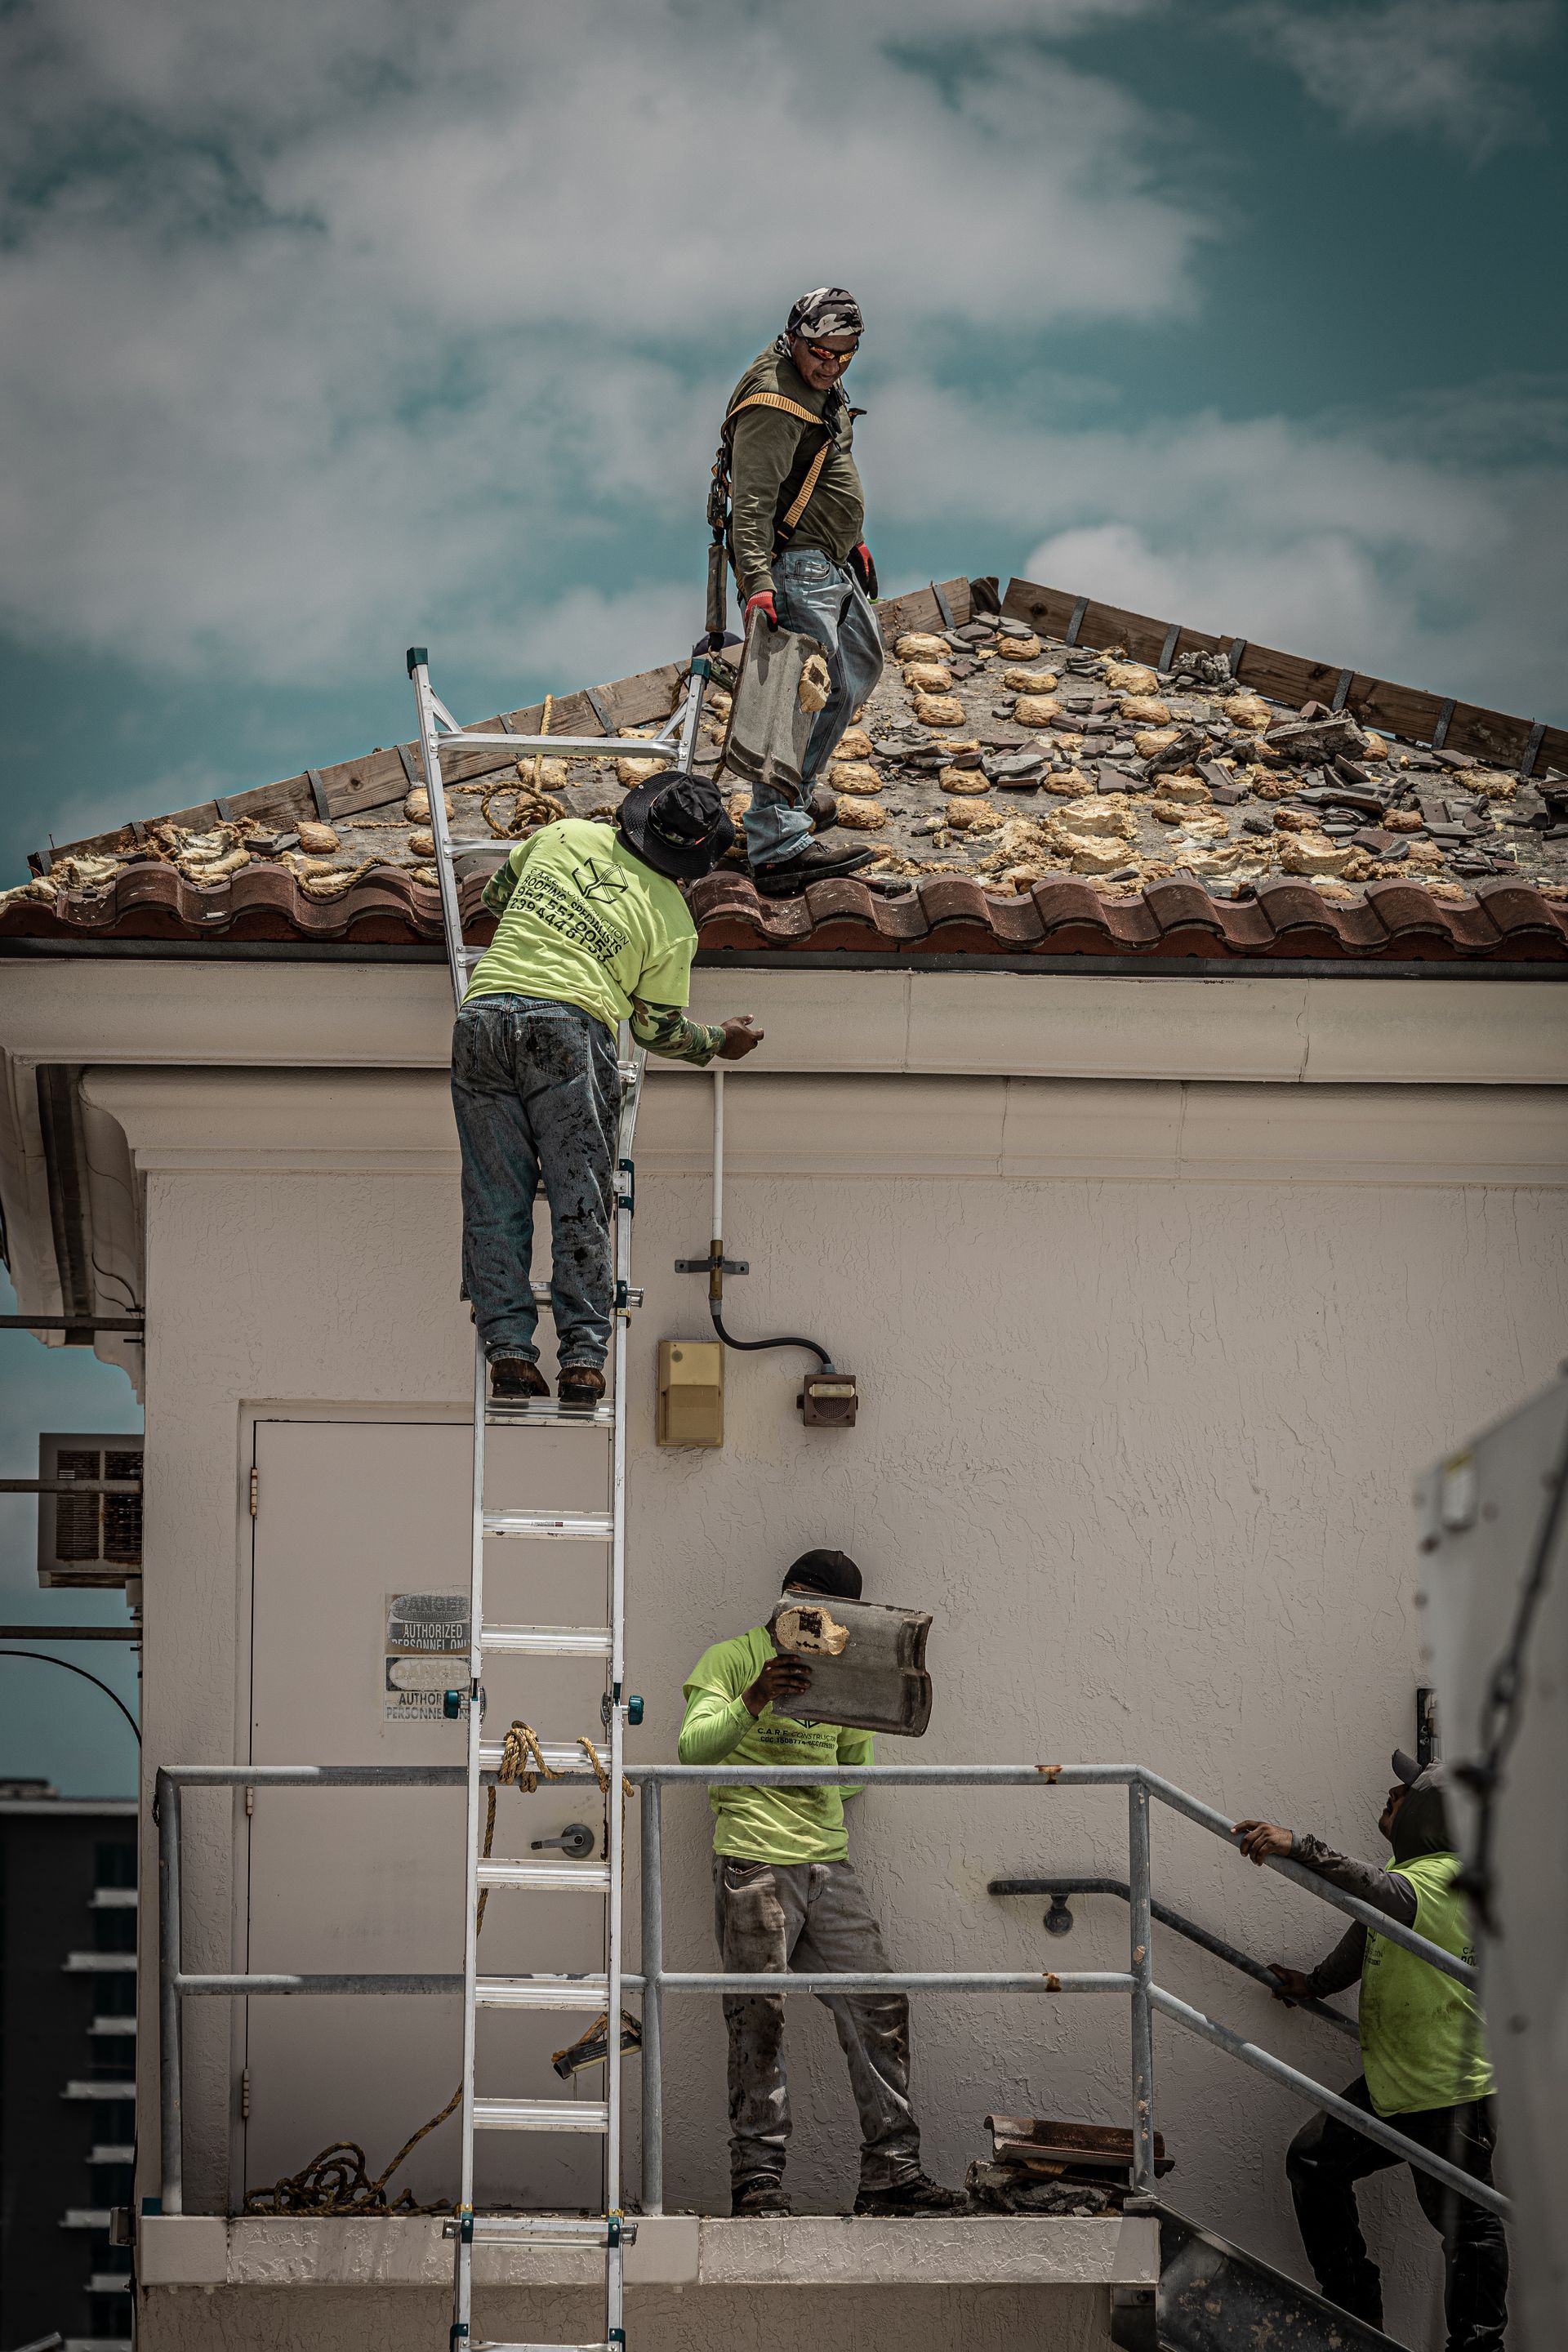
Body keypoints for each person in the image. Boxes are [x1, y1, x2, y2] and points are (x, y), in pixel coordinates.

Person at [452, 772, 762, 1408]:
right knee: (580, 1197)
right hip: (567, 1029)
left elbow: (495, 898)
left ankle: (508, 1351)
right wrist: (718, 1042)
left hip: (480, 1021)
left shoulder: (563, 834)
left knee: (493, 1196)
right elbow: (657, 1029)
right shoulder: (673, 920)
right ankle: (583, 1359)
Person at [679, 1548, 962, 2218]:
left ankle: (891, 2175)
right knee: (759, 2020)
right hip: (753, 1858)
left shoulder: (844, 1677)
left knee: (878, 2003)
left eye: (829, 1614)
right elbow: (692, 1751)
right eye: (803, 1604)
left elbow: (857, 1770)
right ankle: (758, 2183)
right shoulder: (731, 1659)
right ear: (787, 1599)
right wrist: (758, 1697)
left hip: (826, 1862)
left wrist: (820, 1783)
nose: (813, 1621)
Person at [1234, 1753, 1507, 2352]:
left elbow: (1372, 1893)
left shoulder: (1446, 1877)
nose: (1391, 1791)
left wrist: (1297, 1845)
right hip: (1394, 2085)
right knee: (1312, 2163)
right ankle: (1356, 2318)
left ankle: (1480, 2346)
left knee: (1468, 2225)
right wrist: (1315, 1984)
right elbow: (1367, 1932)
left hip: (1448, 2092)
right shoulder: (1407, 1876)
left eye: (1406, 1790)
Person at [720, 287, 884, 897]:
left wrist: (854, 537)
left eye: (845, 356)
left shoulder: (816, 382)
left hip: (828, 561)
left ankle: (790, 800)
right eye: (821, 352)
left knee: (856, 674)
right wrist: (757, 585)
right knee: (802, 696)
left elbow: (824, 466)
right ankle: (776, 837)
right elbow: (753, 503)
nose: (832, 365)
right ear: (795, 336)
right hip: (794, 569)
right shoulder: (773, 399)